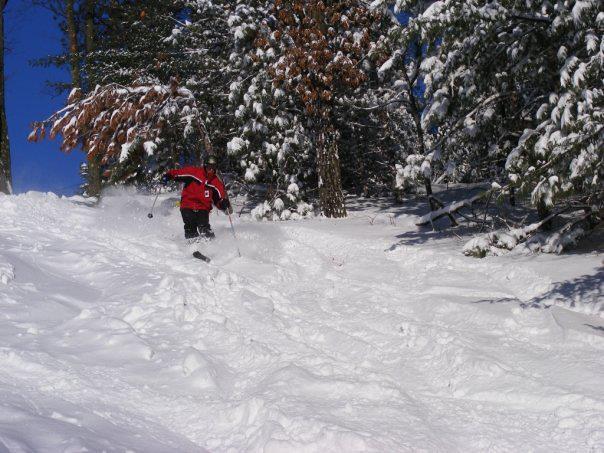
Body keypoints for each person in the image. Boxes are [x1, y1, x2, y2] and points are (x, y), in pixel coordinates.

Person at [162, 156, 233, 242]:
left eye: (213, 167)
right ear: (205, 166)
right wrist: (168, 176)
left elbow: (218, 199)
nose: (211, 170)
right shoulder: (194, 172)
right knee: (190, 225)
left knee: (204, 227)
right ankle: (193, 246)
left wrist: (223, 204)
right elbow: (178, 173)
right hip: (188, 204)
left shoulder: (216, 182)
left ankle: (212, 245)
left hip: (203, 208)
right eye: (209, 167)